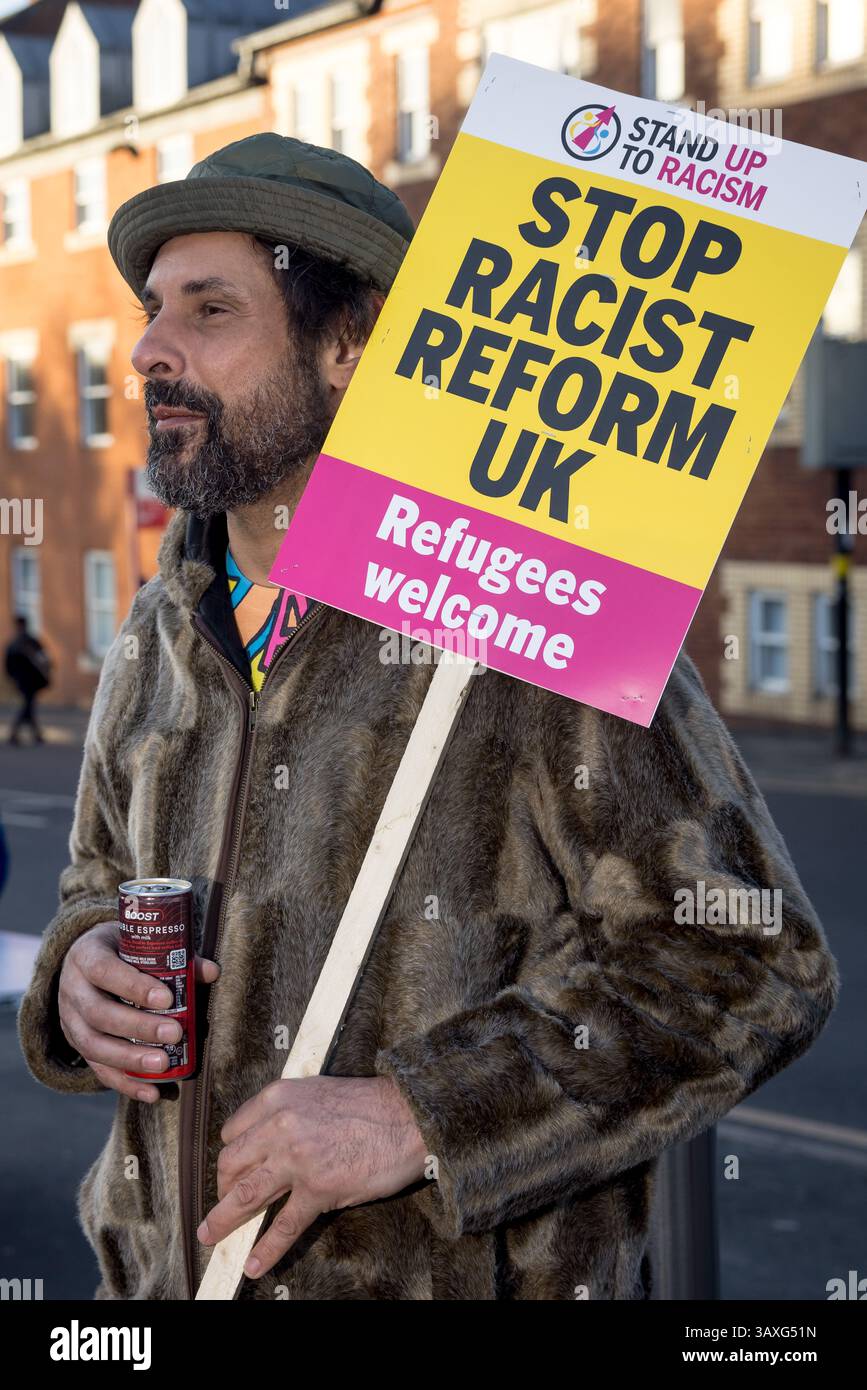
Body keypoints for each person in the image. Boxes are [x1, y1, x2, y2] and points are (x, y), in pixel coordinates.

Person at [18, 134, 840, 1302]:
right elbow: (98, 880)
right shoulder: (166, 616)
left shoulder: (525, 607)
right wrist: (79, 971)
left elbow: (749, 956)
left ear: (349, 349)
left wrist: (422, 1116)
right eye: (156, 309)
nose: (151, 349)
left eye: (211, 310)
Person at [5, 614, 50, 745]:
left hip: (21, 680)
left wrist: (12, 678)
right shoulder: (31, 641)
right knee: (28, 704)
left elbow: (7, 665)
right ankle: (16, 732)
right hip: (31, 680)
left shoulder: (14, 643)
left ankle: (35, 734)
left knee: (28, 704)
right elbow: (44, 658)